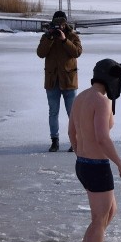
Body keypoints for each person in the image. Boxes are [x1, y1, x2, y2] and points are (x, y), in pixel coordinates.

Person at [66, 59, 121, 242]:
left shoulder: (80, 97)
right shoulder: (101, 101)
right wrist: (120, 163)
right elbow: (102, 137)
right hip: (96, 165)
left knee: (109, 212)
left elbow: (71, 132)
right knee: (99, 219)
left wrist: (80, 152)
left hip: (83, 163)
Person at [37, 10, 83, 152]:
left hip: (68, 80)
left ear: (65, 23)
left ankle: (74, 141)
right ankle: (54, 140)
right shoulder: (47, 36)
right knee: (53, 112)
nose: (59, 27)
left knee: (72, 112)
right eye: (57, 24)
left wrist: (64, 40)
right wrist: (50, 38)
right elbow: (40, 53)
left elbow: (77, 52)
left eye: (62, 24)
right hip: (52, 81)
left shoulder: (72, 35)